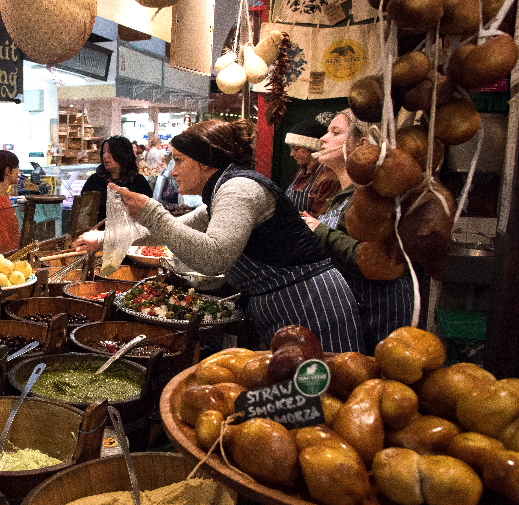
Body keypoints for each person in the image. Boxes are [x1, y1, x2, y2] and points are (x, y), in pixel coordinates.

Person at [73, 119, 365, 355]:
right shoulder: (223, 189)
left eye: (179, 161)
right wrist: (102, 238)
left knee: (327, 404)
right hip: (285, 306)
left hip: (311, 306)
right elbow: (176, 226)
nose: (173, 172)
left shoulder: (238, 189)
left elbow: (213, 257)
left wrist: (151, 211)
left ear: (204, 162)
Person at [302, 109, 413, 353]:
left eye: (335, 132)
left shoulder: (373, 197)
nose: (323, 138)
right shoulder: (341, 194)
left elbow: (376, 260)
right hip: (352, 307)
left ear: (362, 144)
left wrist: (319, 230)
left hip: (379, 311)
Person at [81, 136, 154, 224]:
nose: (105, 156)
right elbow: (83, 216)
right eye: (104, 152)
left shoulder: (139, 182)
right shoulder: (94, 181)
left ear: (123, 155)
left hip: (133, 236)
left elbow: (148, 217)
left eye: (110, 152)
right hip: (97, 235)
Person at [284, 118, 340, 217]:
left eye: (296, 149)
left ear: (311, 149)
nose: (291, 154)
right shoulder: (302, 171)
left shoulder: (328, 177)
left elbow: (318, 218)